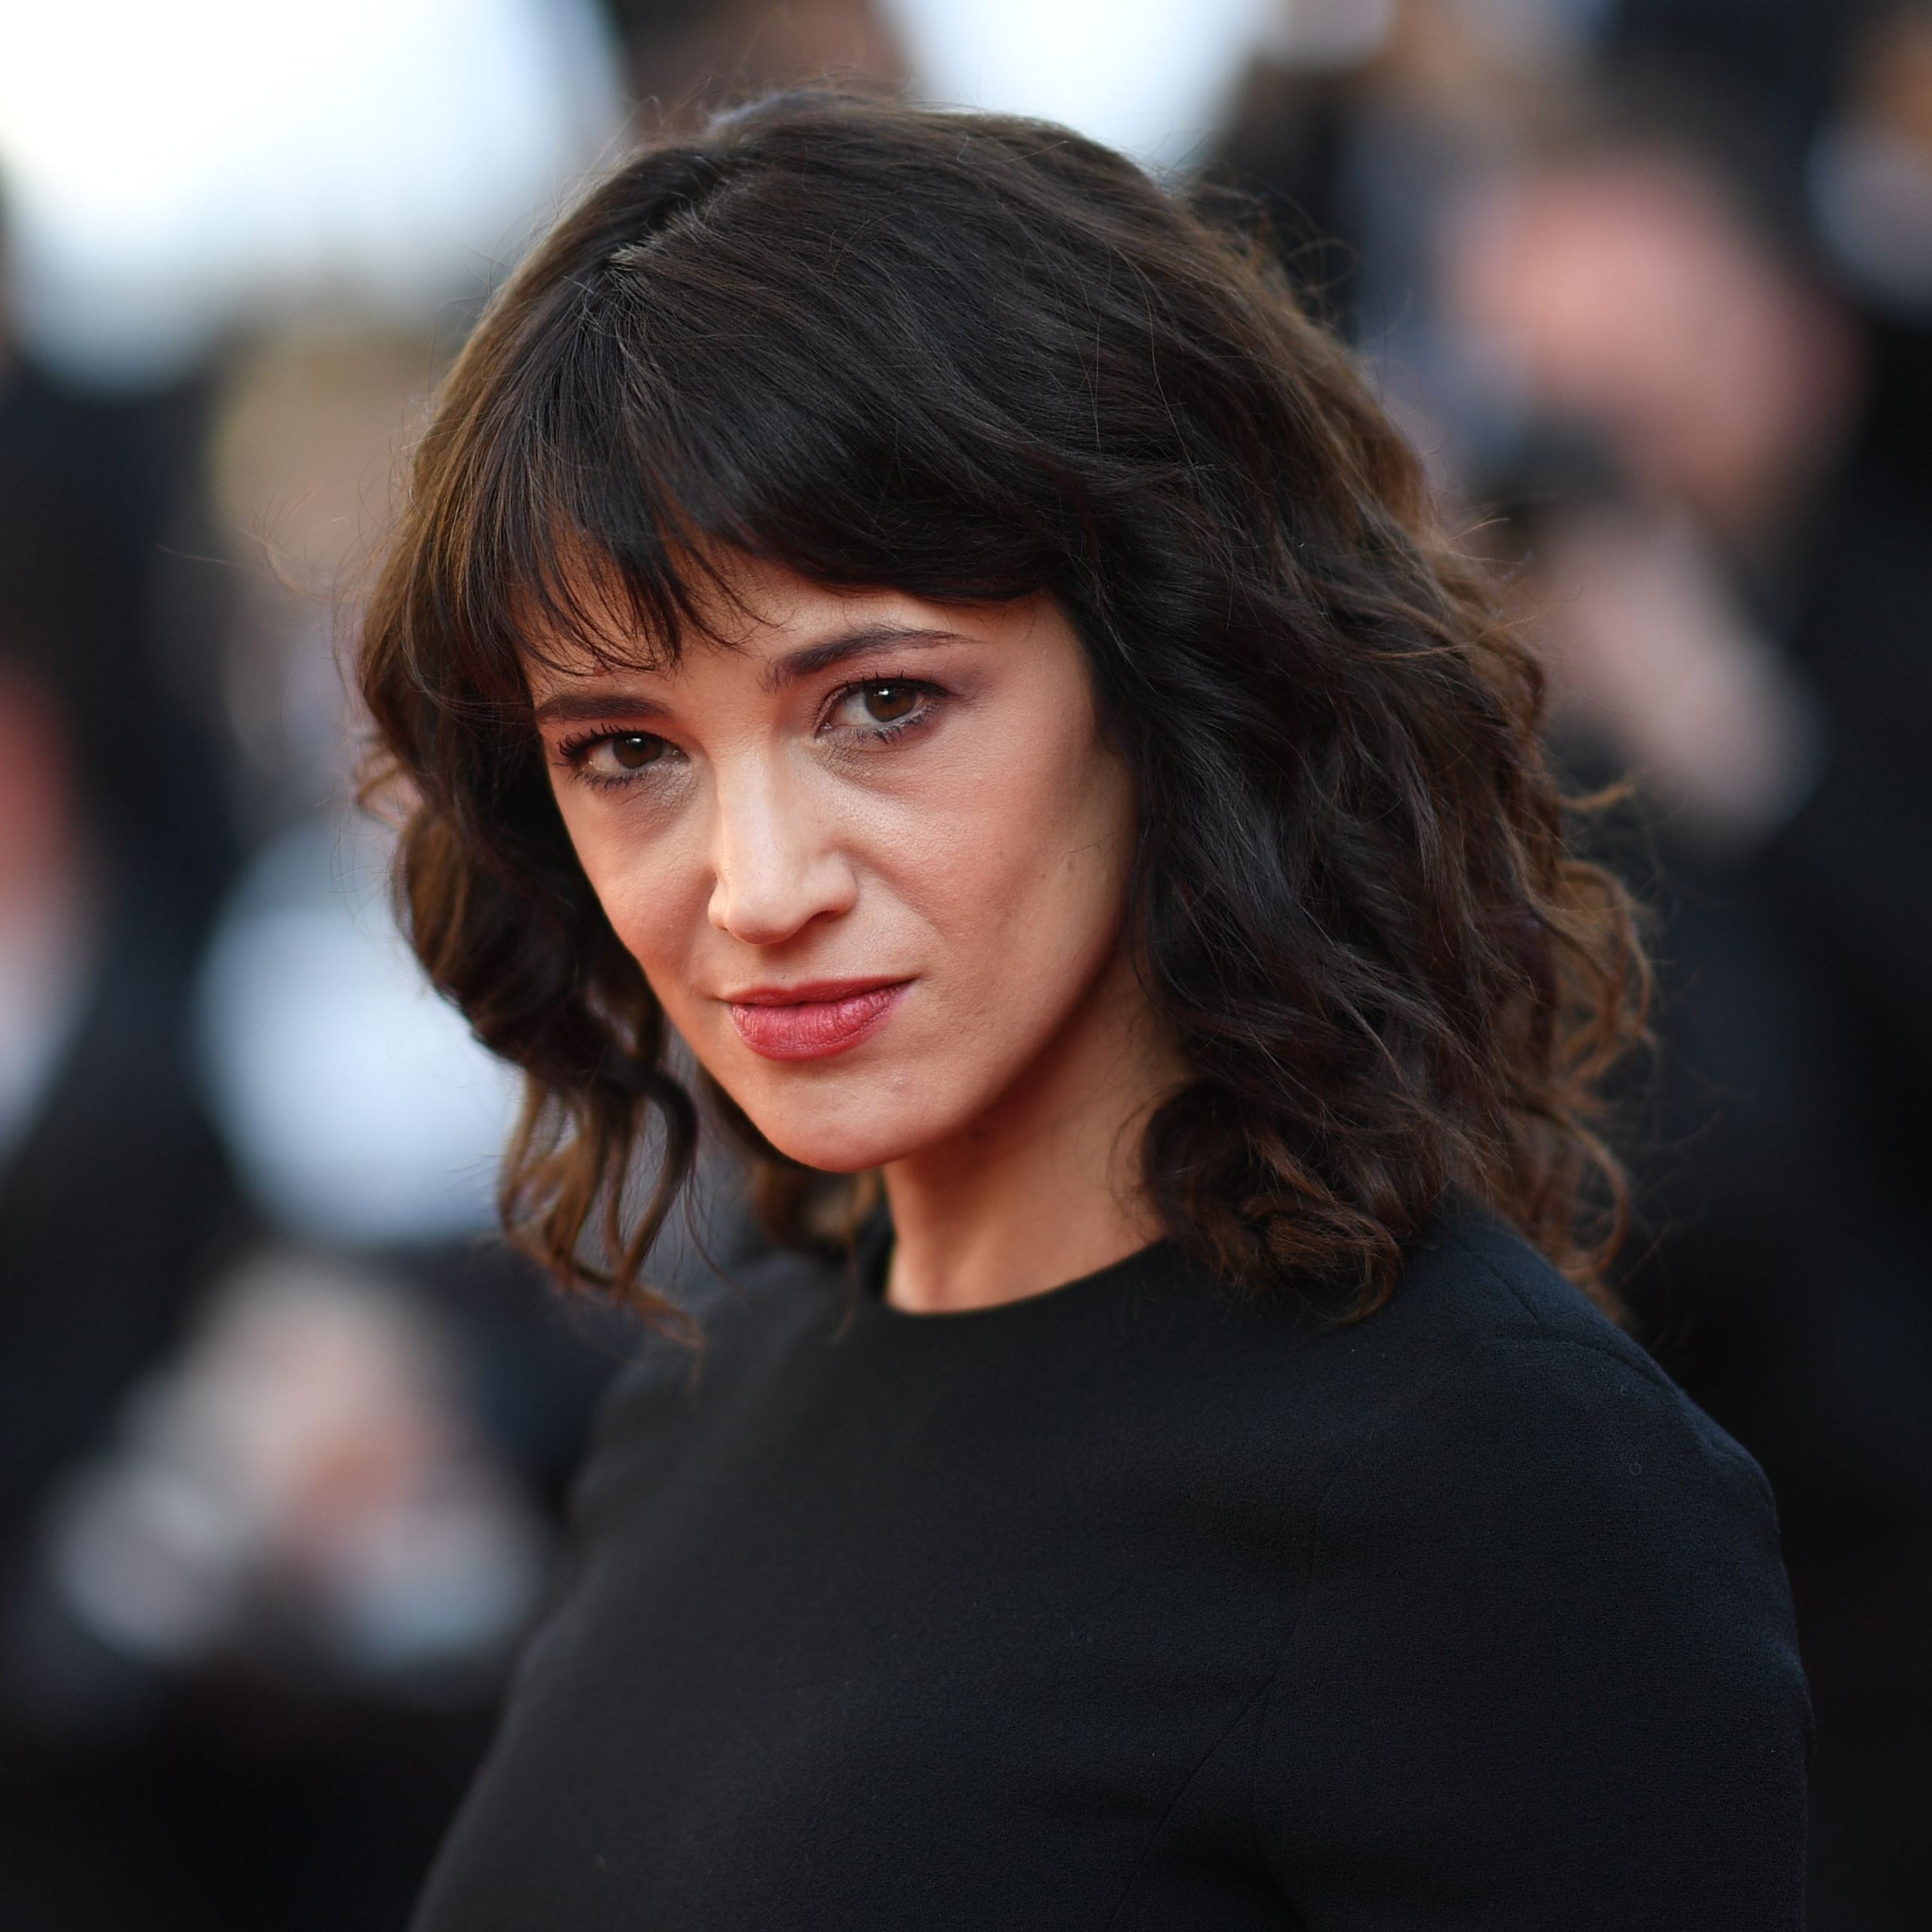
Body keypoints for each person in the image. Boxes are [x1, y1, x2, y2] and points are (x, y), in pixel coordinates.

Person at [359, 93, 1807, 1929]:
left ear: (1175, 669)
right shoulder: (699, 1407)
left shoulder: (1486, 1477)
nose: (755, 880)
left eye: (879, 705)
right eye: (628, 751)